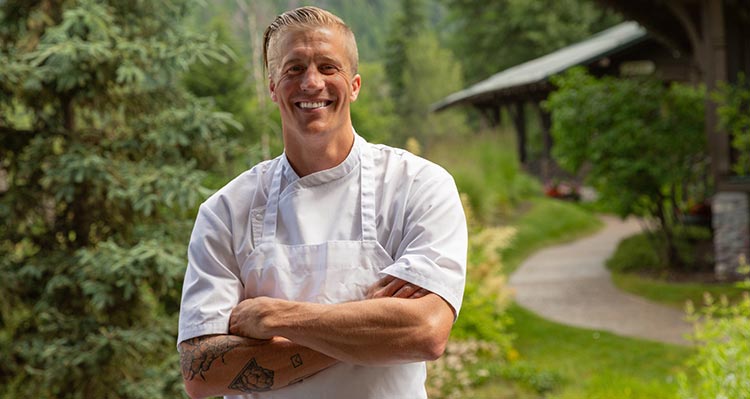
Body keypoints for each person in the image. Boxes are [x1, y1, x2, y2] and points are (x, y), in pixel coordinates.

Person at [177, 6, 467, 399]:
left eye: (328, 67)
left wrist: (271, 316)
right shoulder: (226, 211)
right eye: (294, 68)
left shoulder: (417, 186)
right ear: (273, 88)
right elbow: (201, 372)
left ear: (355, 85)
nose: (311, 82)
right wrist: (370, 331)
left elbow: (425, 332)